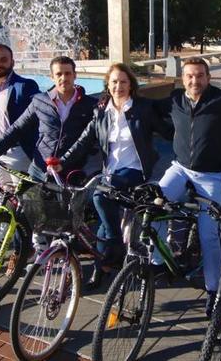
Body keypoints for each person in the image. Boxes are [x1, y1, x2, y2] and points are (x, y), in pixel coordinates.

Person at [53, 63, 172, 289]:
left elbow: (168, 131)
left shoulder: (142, 108)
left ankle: (116, 247)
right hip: (110, 173)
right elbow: (84, 141)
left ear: (131, 85)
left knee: (99, 197)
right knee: (102, 227)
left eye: (124, 82)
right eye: (114, 81)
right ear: (108, 84)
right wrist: (63, 162)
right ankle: (101, 269)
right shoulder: (101, 111)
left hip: (136, 172)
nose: (119, 86)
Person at [153, 57, 221, 315]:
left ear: (208, 78)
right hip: (179, 168)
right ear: (183, 78)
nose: (194, 81)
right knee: (153, 207)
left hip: (211, 175)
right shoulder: (176, 99)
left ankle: (213, 289)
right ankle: (157, 262)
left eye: (199, 76)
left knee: (208, 233)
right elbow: (147, 109)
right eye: (189, 76)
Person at [0, 56, 97, 182]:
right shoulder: (40, 100)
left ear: (75, 75)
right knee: (29, 201)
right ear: (52, 77)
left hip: (72, 170)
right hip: (40, 169)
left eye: (67, 73)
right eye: (59, 74)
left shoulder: (90, 105)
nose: (63, 78)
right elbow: (18, 127)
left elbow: (86, 140)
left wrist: (63, 163)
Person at [0, 44, 39, 177]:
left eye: (3, 60)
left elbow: (43, 105)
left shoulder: (25, 86)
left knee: (24, 197)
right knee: (3, 196)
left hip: (20, 154)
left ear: (12, 62)